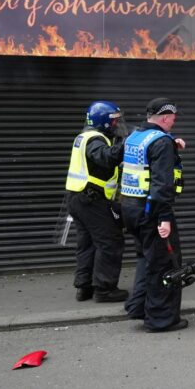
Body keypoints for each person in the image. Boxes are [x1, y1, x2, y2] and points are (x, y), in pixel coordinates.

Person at [120, 98, 188, 333]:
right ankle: (160, 319)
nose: (173, 122)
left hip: (130, 209)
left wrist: (172, 144)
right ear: (166, 118)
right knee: (163, 263)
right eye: (173, 119)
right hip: (152, 212)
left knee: (145, 259)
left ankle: (139, 306)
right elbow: (162, 185)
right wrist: (165, 218)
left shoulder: (135, 136)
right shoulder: (161, 143)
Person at [65, 101, 128, 303]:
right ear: (102, 121)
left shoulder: (83, 137)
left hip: (79, 198)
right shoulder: (95, 139)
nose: (117, 124)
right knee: (110, 242)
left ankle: (84, 288)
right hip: (93, 200)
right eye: (114, 121)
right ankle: (105, 289)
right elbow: (105, 158)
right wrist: (125, 144)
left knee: (87, 244)